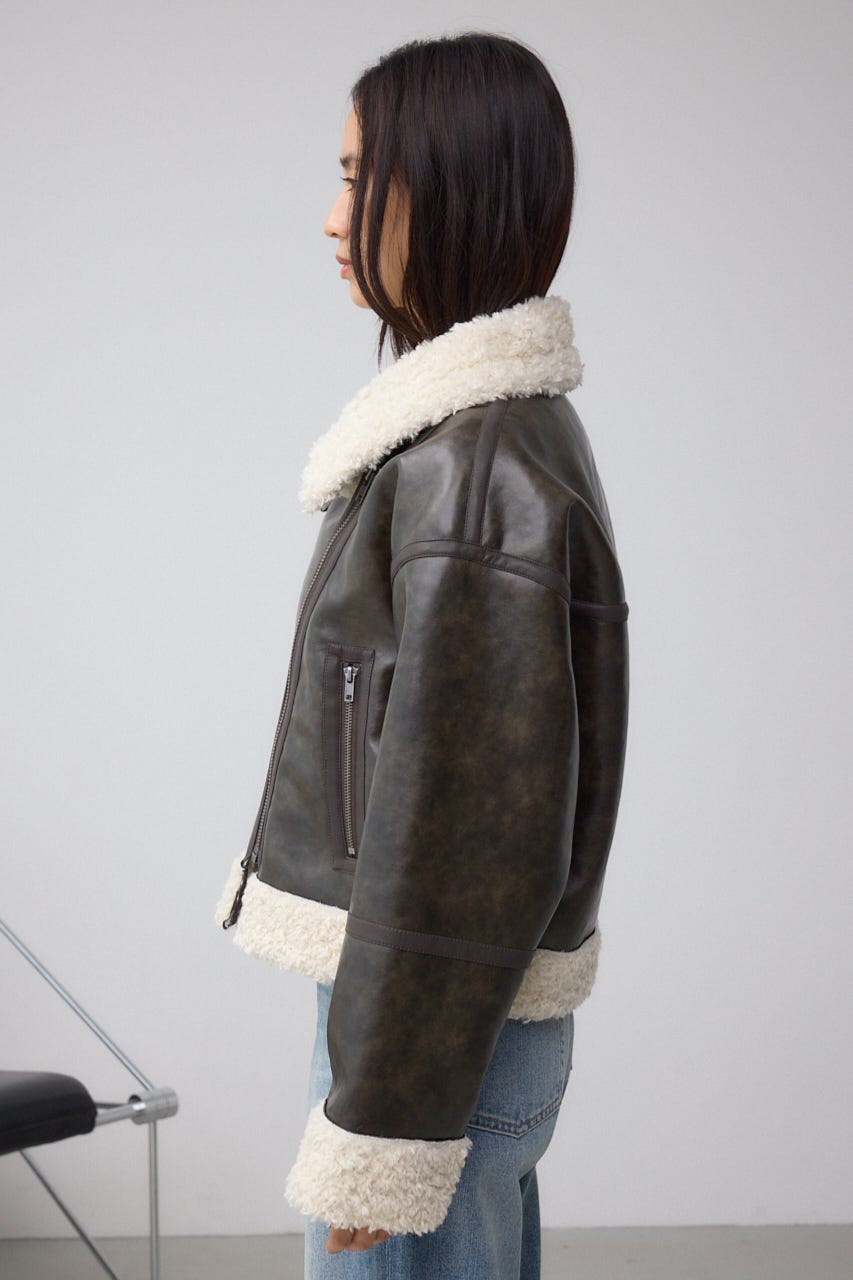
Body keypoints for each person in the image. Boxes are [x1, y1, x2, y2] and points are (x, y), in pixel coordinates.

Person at [214, 30, 630, 1280]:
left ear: (445, 189)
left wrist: (382, 1123)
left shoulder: (469, 469)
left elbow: (460, 833)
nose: (331, 217)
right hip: (453, 1018)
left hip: (428, 1031)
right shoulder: (496, 438)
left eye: (359, 176)